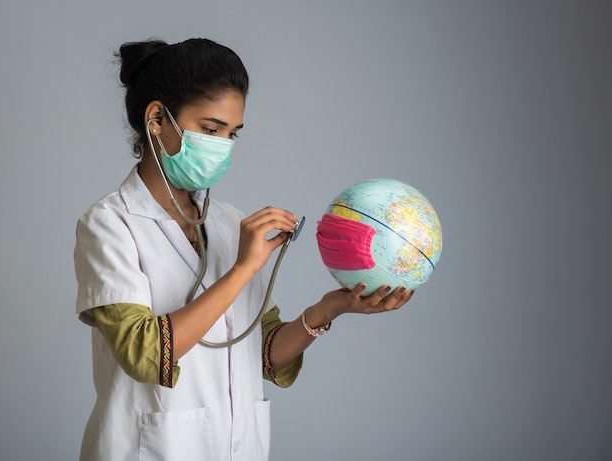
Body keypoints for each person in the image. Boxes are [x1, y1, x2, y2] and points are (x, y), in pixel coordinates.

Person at [74, 38, 414, 461]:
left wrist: (331, 308)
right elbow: (144, 354)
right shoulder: (110, 224)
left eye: (232, 134)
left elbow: (265, 355)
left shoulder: (230, 223)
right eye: (211, 130)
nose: (223, 145)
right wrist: (242, 270)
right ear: (158, 119)